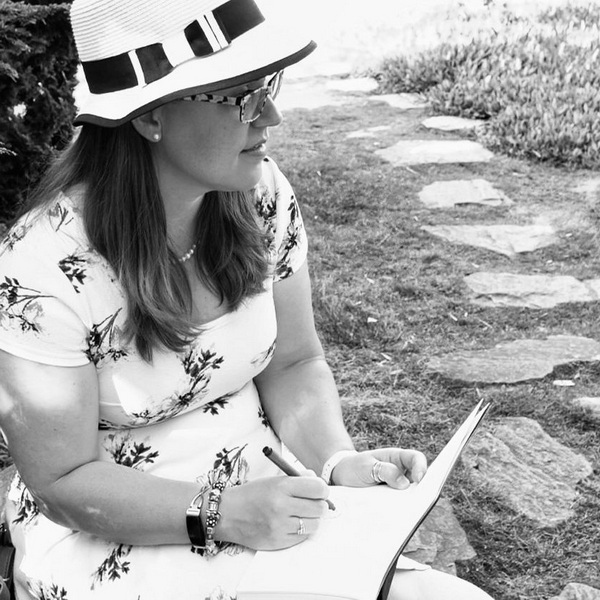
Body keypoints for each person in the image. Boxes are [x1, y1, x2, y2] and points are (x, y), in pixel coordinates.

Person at [0, 0, 494, 598]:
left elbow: (294, 363)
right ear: (151, 117)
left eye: (269, 86)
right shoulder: (41, 267)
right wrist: (221, 513)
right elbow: (62, 481)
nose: (273, 115)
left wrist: (337, 464)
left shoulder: (259, 197)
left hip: (265, 497)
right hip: (113, 531)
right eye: (241, 96)